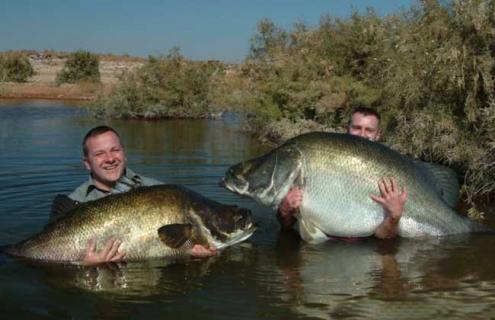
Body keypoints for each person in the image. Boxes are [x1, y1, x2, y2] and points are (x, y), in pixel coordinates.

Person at [51, 125, 217, 266]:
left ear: (124, 154)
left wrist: (192, 248)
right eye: (100, 154)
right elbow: (53, 254)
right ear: (87, 164)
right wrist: (84, 264)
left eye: (115, 150)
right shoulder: (75, 201)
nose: (110, 158)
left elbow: (177, 241)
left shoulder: (160, 191)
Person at [277, 107, 408, 240]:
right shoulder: (321, 159)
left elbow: (383, 237)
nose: (362, 134)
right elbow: (286, 227)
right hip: (319, 252)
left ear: (378, 134)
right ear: (347, 128)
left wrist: (394, 216)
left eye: (369, 130)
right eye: (357, 127)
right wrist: (285, 209)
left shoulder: (392, 170)